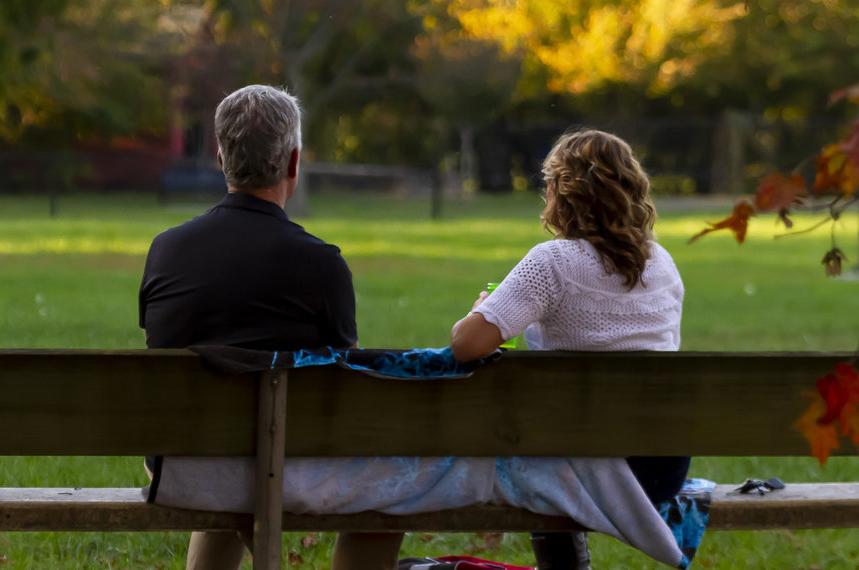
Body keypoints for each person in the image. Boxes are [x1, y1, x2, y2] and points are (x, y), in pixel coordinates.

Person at [139, 84, 403, 570]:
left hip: (181, 467)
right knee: (394, 487)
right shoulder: (321, 264)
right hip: (285, 465)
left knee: (229, 453)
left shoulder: (166, 250)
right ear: (293, 163)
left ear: (220, 158)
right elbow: (346, 380)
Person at [449, 128, 689, 569]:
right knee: (552, 448)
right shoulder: (664, 262)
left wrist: (482, 309)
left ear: (562, 191)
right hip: (660, 467)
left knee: (541, 452)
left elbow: (466, 345)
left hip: (576, 467)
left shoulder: (552, 263)